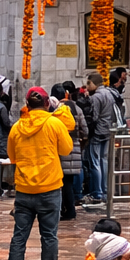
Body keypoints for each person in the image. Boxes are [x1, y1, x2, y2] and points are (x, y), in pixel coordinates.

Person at [5, 86, 73, 260]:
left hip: (24, 190)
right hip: (50, 188)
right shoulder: (54, 123)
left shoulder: (17, 127)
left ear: (27, 105)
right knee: (49, 236)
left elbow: (12, 156)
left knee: (19, 237)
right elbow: (66, 149)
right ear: (46, 103)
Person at [50, 84, 86, 221]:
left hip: (61, 148)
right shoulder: (77, 108)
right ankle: (70, 209)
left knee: (63, 183)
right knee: (69, 181)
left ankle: (67, 211)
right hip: (75, 146)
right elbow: (85, 130)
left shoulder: (55, 110)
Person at [85, 77, 120, 204]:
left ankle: (97, 192)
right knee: (104, 160)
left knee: (95, 162)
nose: (87, 86)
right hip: (108, 129)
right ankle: (105, 190)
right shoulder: (109, 93)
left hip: (98, 131)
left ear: (95, 83)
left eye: (89, 83)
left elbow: (94, 116)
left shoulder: (96, 97)